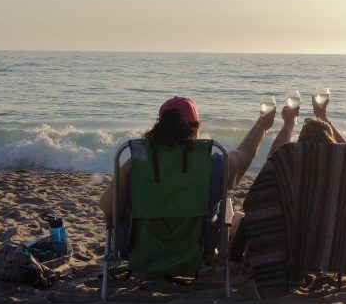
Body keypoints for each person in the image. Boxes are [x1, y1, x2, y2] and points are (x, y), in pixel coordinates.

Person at [98, 96, 275, 225]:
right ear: (196, 129)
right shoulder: (213, 165)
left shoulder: (138, 165)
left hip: (140, 250)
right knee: (232, 217)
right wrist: (261, 126)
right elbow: (245, 154)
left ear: (159, 127)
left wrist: (130, 163)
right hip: (198, 249)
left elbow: (108, 209)